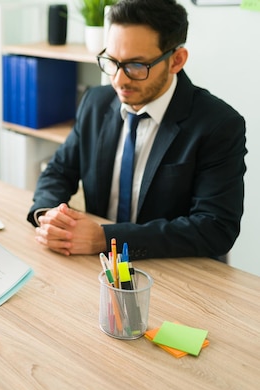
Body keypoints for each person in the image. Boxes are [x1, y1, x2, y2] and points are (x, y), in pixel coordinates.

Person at [27, 0, 246, 260]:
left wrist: (106, 238)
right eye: (112, 61)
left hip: (175, 273)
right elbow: (60, 170)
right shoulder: (95, 103)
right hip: (100, 266)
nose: (119, 80)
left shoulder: (218, 124)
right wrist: (48, 214)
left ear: (176, 60)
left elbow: (215, 229)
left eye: (136, 66)